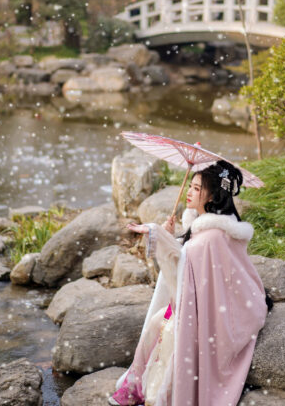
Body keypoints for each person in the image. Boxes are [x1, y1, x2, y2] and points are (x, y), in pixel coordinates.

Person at [110, 160, 269, 406]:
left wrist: (160, 235)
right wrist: (168, 235)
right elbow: (187, 270)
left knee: (172, 331)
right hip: (192, 307)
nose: (189, 192)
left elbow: (192, 271)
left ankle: (161, 395)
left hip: (213, 315)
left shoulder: (213, 236)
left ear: (212, 195)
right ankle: (139, 387)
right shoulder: (200, 230)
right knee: (156, 323)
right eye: (191, 186)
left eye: (196, 188)